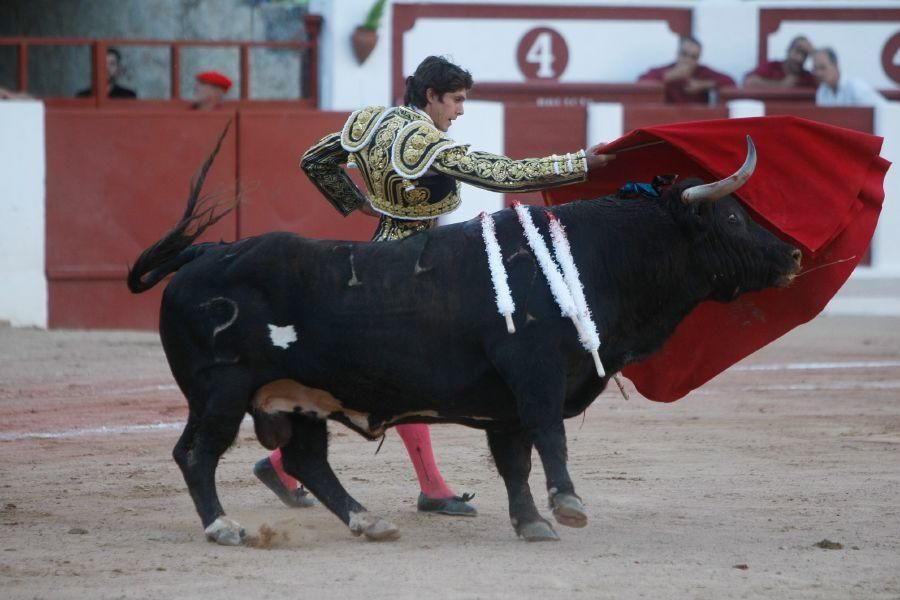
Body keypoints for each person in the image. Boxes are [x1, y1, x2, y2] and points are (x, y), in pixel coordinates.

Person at [254, 55, 616, 516]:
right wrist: (577, 162)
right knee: (398, 382)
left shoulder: (371, 120)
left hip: (376, 256)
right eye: (457, 100)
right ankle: (292, 466)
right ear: (431, 96)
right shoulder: (423, 141)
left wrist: (360, 204)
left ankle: (309, 470)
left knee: (390, 380)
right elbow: (497, 172)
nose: (461, 111)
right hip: (417, 272)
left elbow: (314, 160)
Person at [638, 36, 735, 104]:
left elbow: (730, 81)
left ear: (698, 59)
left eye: (694, 57)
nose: (688, 60)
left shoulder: (702, 72)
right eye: (684, 54)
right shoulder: (665, 70)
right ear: (677, 53)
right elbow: (641, 82)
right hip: (668, 122)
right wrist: (670, 76)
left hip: (696, 123)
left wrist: (704, 85)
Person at [812, 47, 887, 107]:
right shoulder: (822, 92)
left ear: (836, 66)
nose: (818, 73)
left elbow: (884, 109)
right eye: (815, 68)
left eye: (822, 68)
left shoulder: (856, 87)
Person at [744, 36, 817, 89]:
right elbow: (748, 82)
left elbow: (826, 86)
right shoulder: (772, 67)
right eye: (797, 51)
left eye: (805, 55)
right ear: (788, 51)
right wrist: (780, 85)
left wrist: (814, 54)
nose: (800, 58)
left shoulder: (807, 77)